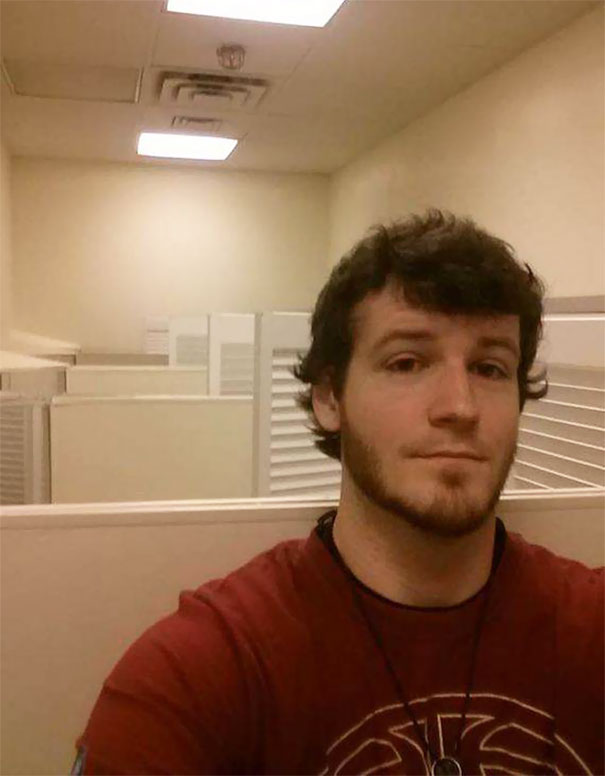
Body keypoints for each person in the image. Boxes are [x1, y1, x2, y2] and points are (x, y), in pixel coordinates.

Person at [73, 210, 603, 775]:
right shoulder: (201, 674)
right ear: (329, 397)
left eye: (491, 368)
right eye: (407, 362)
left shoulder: (589, 632)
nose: (460, 406)